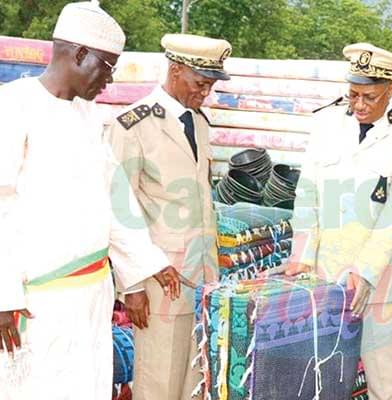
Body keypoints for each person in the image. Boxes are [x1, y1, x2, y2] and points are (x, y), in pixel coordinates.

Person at [0, 2, 181, 399]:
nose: (108, 81)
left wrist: (148, 263)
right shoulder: (11, 106)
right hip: (37, 302)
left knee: (84, 386)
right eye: (107, 67)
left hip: (92, 295)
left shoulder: (89, 116)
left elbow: (113, 199)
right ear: (79, 54)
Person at [288, 43, 392, 400]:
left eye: (369, 97)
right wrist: (301, 254)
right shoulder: (326, 123)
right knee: (322, 372)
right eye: (353, 94)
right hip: (323, 273)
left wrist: (365, 270)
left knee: (388, 376)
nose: (359, 105)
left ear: (391, 92)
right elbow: (307, 194)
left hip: (381, 277)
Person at [106, 33, 230, 400]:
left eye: (209, 85)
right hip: (160, 279)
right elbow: (118, 209)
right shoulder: (133, 125)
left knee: (194, 380)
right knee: (159, 382)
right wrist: (132, 286)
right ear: (175, 71)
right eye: (199, 83)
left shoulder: (200, 123)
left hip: (201, 278)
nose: (204, 92)